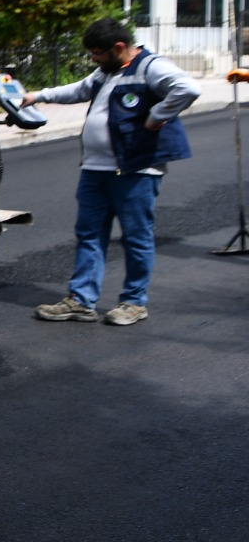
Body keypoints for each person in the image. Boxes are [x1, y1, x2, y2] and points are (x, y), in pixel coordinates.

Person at [23, 17, 201, 327]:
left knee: (136, 237)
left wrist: (158, 114)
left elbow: (188, 88)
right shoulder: (106, 72)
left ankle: (133, 302)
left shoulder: (150, 67)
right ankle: (81, 301)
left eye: (97, 53)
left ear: (118, 48)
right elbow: (80, 90)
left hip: (135, 170)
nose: (94, 59)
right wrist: (39, 96)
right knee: (89, 234)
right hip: (95, 169)